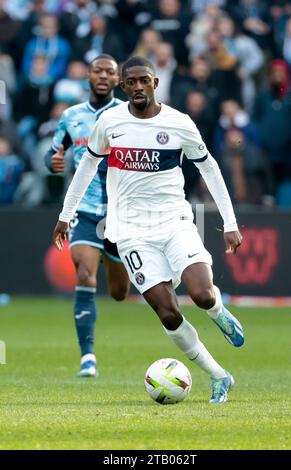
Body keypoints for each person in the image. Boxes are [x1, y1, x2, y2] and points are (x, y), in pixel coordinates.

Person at [53, 56, 244, 403]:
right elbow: (85, 166)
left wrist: (229, 224)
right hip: (131, 233)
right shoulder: (110, 121)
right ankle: (219, 376)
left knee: (201, 294)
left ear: (155, 83)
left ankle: (217, 310)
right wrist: (66, 214)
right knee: (168, 311)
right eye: (132, 82)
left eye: (145, 80)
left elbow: (210, 169)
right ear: (123, 86)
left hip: (173, 222)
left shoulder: (179, 123)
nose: (138, 87)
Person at [45, 54, 130, 377]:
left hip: (120, 213)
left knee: (120, 293)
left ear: (118, 79)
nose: (104, 76)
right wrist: (51, 163)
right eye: (98, 71)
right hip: (84, 208)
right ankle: (88, 357)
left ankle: (116, 261)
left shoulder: (126, 114)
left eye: (110, 72)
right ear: (89, 77)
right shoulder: (71, 116)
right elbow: (53, 152)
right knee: (84, 274)